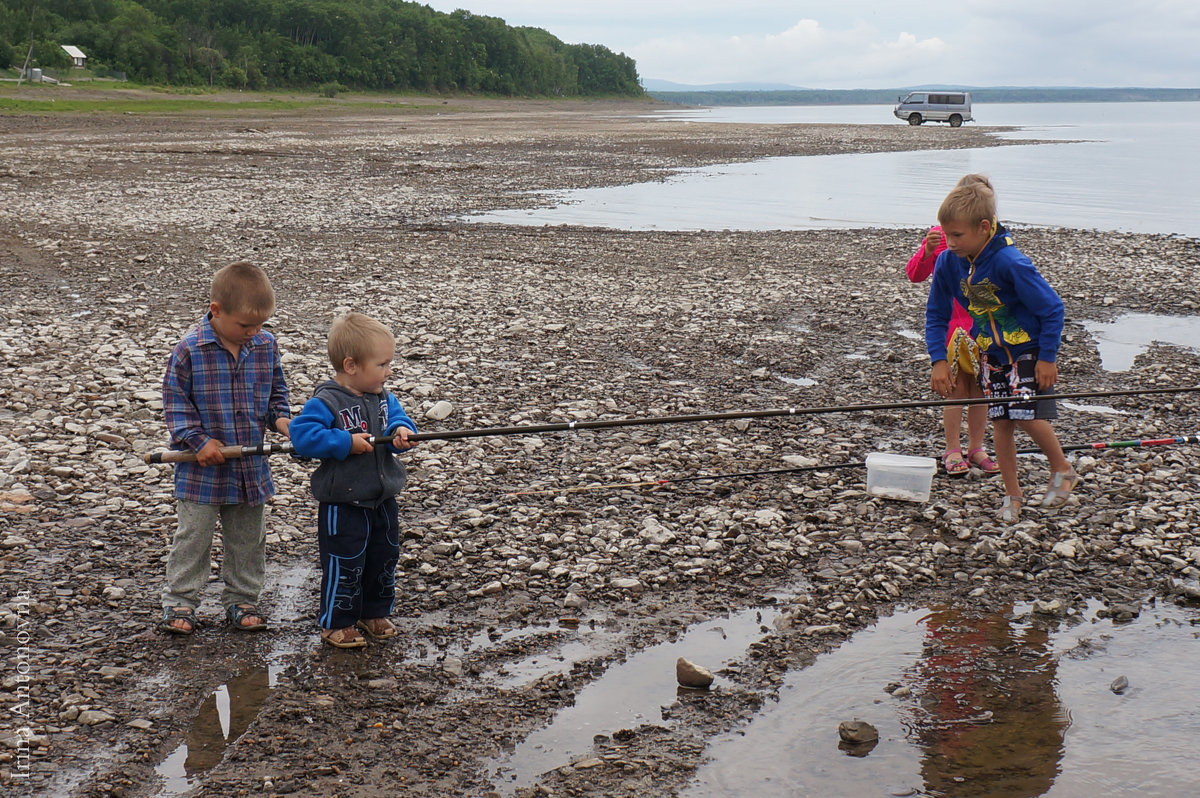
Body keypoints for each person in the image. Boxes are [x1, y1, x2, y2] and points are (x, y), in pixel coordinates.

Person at [924, 177, 1078, 522]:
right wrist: (938, 360)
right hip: (990, 352)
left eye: (957, 236)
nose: (949, 243)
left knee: (1024, 415)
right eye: (946, 234)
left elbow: (1053, 308)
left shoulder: (1010, 262)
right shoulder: (949, 262)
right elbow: (935, 314)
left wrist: (1049, 357)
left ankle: (1062, 466)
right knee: (1001, 422)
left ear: (983, 227)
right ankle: (1013, 497)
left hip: (1028, 349)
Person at [160, 261, 292, 634]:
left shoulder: (265, 346)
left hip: (250, 468)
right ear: (216, 311)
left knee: (248, 538)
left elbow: (276, 396)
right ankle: (180, 603)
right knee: (194, 537)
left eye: (260, 325)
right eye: (244, 325)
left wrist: (283, 422)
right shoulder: (188, 350)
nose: (253, 332)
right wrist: (199, 441)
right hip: (200, 471)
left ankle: (242, 599)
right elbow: (175, 404)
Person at [290, 312, 418, 649]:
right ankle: (337, 622)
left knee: (383, 557)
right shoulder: (326, 401)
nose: (389, 372)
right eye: (382, 364)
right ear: (351, 366)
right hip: (342, 503)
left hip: (382, 498)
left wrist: (402, 432)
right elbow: (302, 436)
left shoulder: (382, 397)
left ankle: (374, 612)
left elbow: (399, 418)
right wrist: (345, 443)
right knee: (345, 563)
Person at [906, 176, 998, 478]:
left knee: (981, 391)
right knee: (956, 390)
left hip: (983, 329)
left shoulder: (991, 242)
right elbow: (915, 274)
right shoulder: (944, 235)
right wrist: (928, 251)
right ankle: (952, 448)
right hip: (953, 328)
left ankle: (976, 447)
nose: (954, 239)